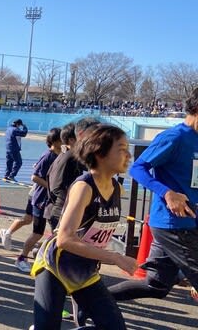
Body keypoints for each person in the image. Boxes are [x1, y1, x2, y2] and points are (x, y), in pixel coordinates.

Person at [73, 88, 198, 326]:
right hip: (172, 223)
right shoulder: (174, 138)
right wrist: (167, 193)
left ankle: (93, 302)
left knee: (157, 284)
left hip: (190, 221)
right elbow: (138, 168)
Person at [30, 124, 137, 330]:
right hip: (55, 266)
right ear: (100, 153)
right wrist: (115, 257)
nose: (128, 155)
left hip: (84, 270)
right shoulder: (84, 187)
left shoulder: (117, 188)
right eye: (121, 149)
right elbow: (65, 239)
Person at [6, 128, 62, 273]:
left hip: (50, 201)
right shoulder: (49, 156)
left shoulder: (59, 156)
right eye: (62, 139)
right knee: (37, 232)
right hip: (41, 200)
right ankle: (21, 259)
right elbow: (35, 177)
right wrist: (51, 187)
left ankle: (40, 251)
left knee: (57, 230)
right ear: (55, 141)